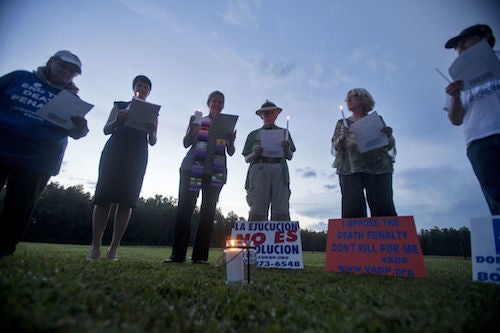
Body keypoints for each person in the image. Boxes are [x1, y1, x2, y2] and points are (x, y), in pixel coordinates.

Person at [0, 50, 89, 258]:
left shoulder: (71, 99)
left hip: (37, 159)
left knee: (19, 206)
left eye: (72, 72)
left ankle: (4, 247)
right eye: (64, 67)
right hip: (3, 146)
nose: (67, 73)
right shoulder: (20, 77)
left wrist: (80, 127)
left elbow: (78, 133)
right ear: (51, 62)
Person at [87, 75, 157, 260]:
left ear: (149, 92)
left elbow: (153, 141)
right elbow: (106, 130)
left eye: (146, 87)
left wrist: (151, 130)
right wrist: (118, 120)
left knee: (127, 201)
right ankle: (95, 246)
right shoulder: (120, 106)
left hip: (138, 154)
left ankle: (114, 248)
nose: (142, 88)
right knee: (104, 198)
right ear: (134, 88)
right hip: (115, 151)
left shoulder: (152, 112)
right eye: (139, 85)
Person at [164, 90, 236, 264]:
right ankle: (177, 255)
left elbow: (231, 152)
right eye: (214, 102)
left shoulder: (227, 125)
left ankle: (200, 257)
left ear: (223, 106)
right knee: (185, 210)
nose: (217, 105)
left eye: (220, 102)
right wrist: (192, 129)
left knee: (208, 213)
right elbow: (186, 143)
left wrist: (232, 140)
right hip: (193, 169)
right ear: (208, 103)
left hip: (215, 172)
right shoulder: (199, 121)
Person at [443, 24, 500, 216]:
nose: (460, 48)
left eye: (465, 41)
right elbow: (456, 119)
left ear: (484, 39)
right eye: (457, 46)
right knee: (495, 197)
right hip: (477, 140)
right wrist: (455, 96)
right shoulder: (457, 79)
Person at [331, 88, 397, 218]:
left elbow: (388, 146)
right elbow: (335, 147)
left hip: (377, 167)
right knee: (352, 207)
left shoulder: (376, 119)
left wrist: (388, 135)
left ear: (363, 99)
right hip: (350, 167)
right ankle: (355, 237)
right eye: (347, 97)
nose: (348, 99)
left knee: (382, 206)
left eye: (353, 96)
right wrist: (342, 137)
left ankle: (385, 237)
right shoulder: (341, 123)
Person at [242, 100, 296, 221]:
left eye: (271, 113)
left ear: (276, 115)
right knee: (257, 209)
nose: (268, 116)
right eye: (265, 114)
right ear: (261, 116)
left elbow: (290, 156)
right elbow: (246, 158)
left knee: (281, 210)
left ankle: (281, 238)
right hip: (259, 170)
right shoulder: (253, 134)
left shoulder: (284, 133)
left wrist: (286, 148)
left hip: (280, 171)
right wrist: (255, 154)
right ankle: (255, 238)